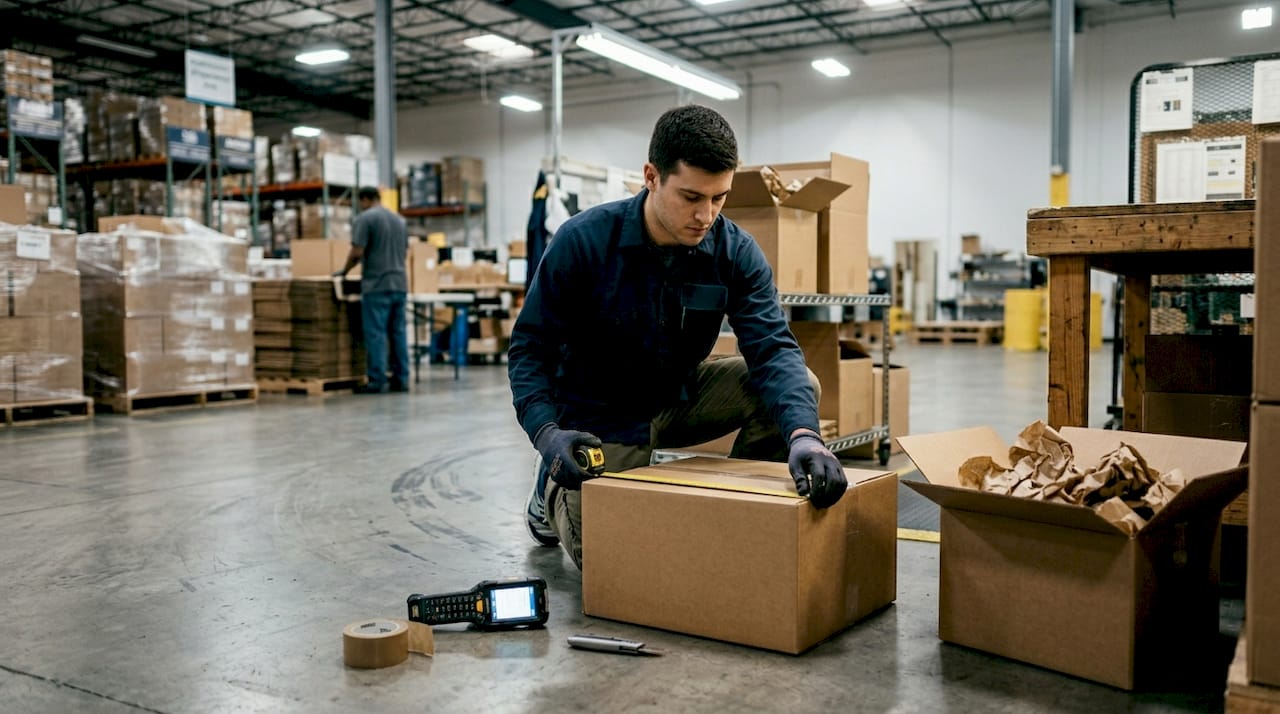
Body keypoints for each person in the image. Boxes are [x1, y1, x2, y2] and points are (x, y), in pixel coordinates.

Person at [507, 104, 847, 569]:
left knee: (800, 385)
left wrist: (805, 435)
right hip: (599, 416)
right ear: (651, 176)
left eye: (719, 198)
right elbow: (530, 349)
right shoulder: (583, 242)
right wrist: (547, 433)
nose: (705, 215)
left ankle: (739, 508)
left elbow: (772, 348)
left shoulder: (735, 252)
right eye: (690, 197)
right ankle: (548, 490)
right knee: (618, 562)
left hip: (678, 394)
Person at [337, 186, 410, 394]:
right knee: (398, 332)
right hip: (400, 283)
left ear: (365, 199)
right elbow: (404, 251)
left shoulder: (365, 219)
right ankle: (401, 378)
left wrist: (343, 271)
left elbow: (357, 252)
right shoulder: (400, 220)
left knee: (376, 334)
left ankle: (377, 380)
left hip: (377, 285)